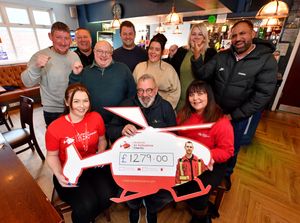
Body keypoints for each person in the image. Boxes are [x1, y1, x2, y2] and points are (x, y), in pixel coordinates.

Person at [191, 20, 278, 191]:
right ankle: (207, 173)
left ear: (253, 34)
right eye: (234, 35)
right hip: (214, 113)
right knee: (211, 144)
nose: (238, 38)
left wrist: (233, 115)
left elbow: (262, 96)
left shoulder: (266, 60)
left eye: (243, 33)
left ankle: (225, 176)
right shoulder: (222, 56)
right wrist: (196, 56)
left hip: (238, 117)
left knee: (231, 148)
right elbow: (202, 74)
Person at [107, 74, 176, 223]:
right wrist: (121, 129)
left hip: (158, 162)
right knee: (124, 188)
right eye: (140, 91)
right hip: (131, 162)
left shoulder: (166, 107)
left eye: (149, 90)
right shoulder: (126, 105)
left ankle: (151, 209)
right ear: (136, 91)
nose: (144, 95)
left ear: (156, 90)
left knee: (167, 193)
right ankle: (135, 206)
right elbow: (110, 129)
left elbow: (175, 136)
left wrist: (161, 138)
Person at [45, 83, 117, 223]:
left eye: (85, 100)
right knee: (87, 205)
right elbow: (51, 155)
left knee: (109, 196)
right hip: (69, 171)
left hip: (93, 167)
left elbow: (102, 140)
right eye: (76, 101)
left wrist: (101, 152)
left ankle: (90, 214)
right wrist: (59, 174)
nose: (82, 105)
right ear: (67, 102)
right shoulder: (55, 128)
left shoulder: (96, 117)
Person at [176, 80, 234, 223]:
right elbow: (176, 137)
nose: (195, 98)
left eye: (200, 93)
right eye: (191, 94)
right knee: (178, 184)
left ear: (209, 96)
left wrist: (206, 156)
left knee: (198, 192)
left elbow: (227, 151)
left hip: (212, 163)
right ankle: (202, 206)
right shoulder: (183, 114)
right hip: (187, 158)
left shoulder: (221, 121)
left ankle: (201, 217)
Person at [21, 21, 80, 126]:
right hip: (53, 111)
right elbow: (27, 83)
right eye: (58, 37)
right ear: (50, 36)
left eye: (66, 38)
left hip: (73, 107)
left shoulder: (74, 56)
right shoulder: (39, 55)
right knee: (57, 141)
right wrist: (36, 66)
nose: (63, 42)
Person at [69, 40, 136, 125]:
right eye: (100, 51)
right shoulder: (85, 71)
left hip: (118, 123)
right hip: (91, 123)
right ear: (94, 52)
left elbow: (132, 95)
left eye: (107, 52)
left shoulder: (123, 69)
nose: (104, 55)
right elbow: (72, 94)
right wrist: (75, 75)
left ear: (111, 53)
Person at [170, 23, 217, 111]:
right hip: (181, 101)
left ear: (205, 37)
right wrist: (171, 56)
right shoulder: (182, 51)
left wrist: (197, 55)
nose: (196, 37)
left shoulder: (211, 53)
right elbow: (172, 71)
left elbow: (205, 77)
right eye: (193, 34)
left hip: (200, 103)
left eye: (200, 34)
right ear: (190, 36)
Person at [133, 33, 181, 109]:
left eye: (157, 49)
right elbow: (134, 89)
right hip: (142, 108)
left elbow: (175, 92)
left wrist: (165, 108)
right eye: (151, 48)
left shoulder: (169, 69)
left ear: (162, 52)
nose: (153, 52)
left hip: (163, 110)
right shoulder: (139, 67)